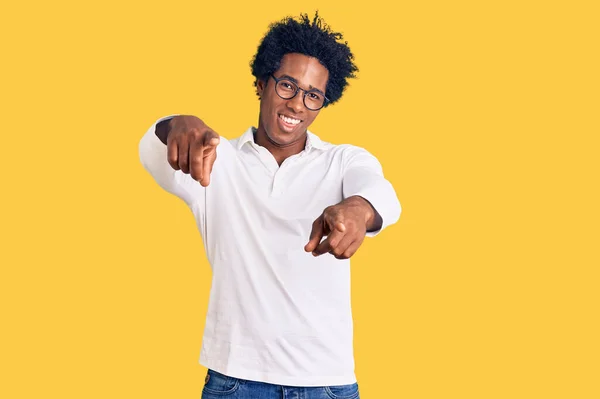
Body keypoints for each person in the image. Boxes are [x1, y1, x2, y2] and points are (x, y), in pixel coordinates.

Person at [139, 11, 401, 399]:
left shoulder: (343, 160)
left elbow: (382, 194)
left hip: (325, 382)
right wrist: (176, 122)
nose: (297, 104)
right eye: (287, 86)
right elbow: (151, 151)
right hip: (235, 380)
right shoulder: (217, 158)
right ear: (261, 84)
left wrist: (358, 210)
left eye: (313, 95)